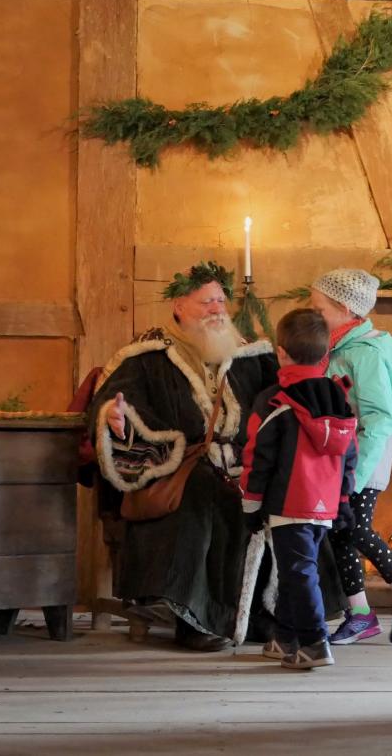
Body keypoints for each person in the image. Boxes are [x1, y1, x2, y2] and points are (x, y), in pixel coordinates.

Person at [91, 261, 280, 652]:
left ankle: (267, 614)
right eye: (207, 301)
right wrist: (116, 419)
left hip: (246, 463)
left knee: (279, 492)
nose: (217, 309)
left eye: (221, 301)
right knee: (205, 495)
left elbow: (282, 403)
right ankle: (197, 618)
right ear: (179, 305)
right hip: (180, 468)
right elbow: (114, 404)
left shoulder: (253, 357)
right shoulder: (145, 358)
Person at [309, 269, 392, 644]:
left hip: (363, 458)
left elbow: (379, 418)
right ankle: (360, 612)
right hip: (342, 458)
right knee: (340, 535)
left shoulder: (367, 354)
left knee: (354, 528)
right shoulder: (337, 347)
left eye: (318, 307)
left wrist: (357, 476)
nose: (312, 314)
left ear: (344, 309)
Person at [239, 309, 358, 669]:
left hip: (288, 500)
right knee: (296, 569)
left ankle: (315, 642)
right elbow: (349, 455)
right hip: (325, 504)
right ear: (325, 355)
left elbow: (258, 457)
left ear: (281, 352)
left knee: (298, 572)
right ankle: (285, 638)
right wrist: (342, 500)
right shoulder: (338, 397)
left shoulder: (274, 400)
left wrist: (250, 503)